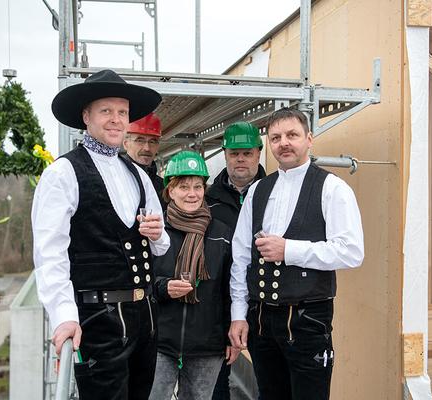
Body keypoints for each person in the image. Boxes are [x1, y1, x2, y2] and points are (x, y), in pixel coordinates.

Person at [32, 69, 170, 400]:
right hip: (97, 320)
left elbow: (162, 246)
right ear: (86, 116)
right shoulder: (62, 173)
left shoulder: (138, 174)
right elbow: (50, 253)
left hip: (145, 318)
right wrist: (64, 316)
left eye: (122, 112)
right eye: (106, 111)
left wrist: (156, 233)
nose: (116, 119)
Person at [228, 108, 364, 400]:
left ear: (309, 139)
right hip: (261, 318)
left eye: (292, 135)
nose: (284, 143)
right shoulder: (258, 190)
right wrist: (239, 315)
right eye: (276, 137)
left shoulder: (332, 188)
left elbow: (352, 252)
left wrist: (289, 250)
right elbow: (241, 257)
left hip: (308, 318)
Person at [149, 151, 239, 400]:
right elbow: (141, 282)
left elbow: (231, 289)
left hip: (207, 346)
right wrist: (163, 287)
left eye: (198, 186)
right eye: (184, 186)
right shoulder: (157, 232)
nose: (192, 193)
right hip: (160, 344)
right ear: (170, 190)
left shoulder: (222, 233)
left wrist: (231, 334)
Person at [205, 121, 266, 400]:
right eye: (234, 153)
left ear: (259, 153)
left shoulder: (274, 194)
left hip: (265, 303)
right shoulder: (208, 200)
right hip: (220, 306)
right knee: (218, 383)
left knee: (270, 379)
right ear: (225, 154)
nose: (240, 159)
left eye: (247, 152)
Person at [122, 112, 166, 208]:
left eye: (153, 141)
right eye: (139, 140)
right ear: (126, 144)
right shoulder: (114, 180)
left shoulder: (163, 187)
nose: (147, 148)